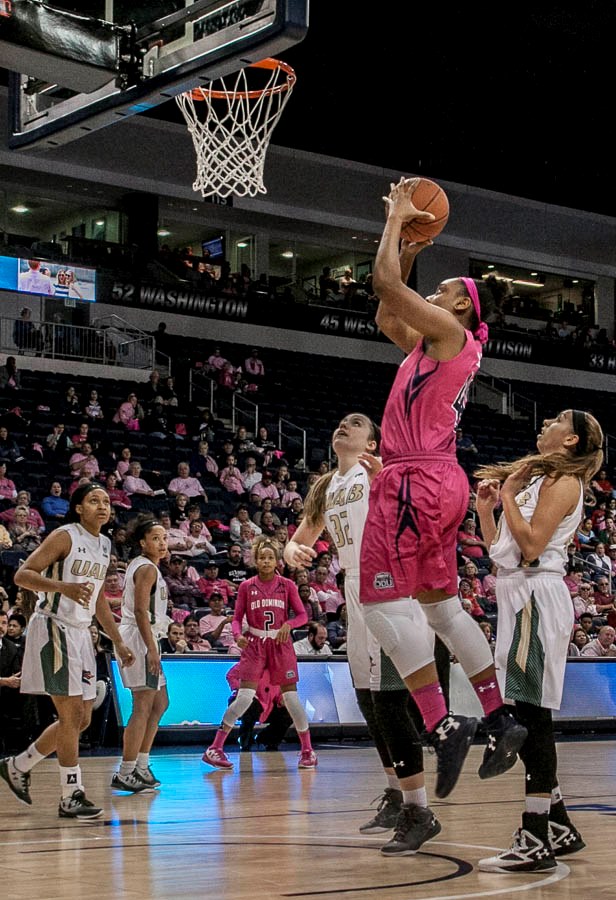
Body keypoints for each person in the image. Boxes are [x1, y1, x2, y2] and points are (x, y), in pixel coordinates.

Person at [358, 176, 524, 805]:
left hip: (415, 479)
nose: (434, 291)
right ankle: (497, 713)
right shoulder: (435, 343)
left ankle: (441, 721)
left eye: (445, 290)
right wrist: (412, 242)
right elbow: (385, 308)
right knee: (441, 608)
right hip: (438, 479)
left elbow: (385, 288)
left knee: (378, 602)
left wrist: (398, 222)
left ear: (461, 309)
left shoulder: (452, 336)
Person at [285, 412, 445, 854]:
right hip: (353, 585)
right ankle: (397, 793)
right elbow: (303, 534)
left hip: (389, 581)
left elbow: (415, 518)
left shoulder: (380, 471)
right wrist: (292, 547)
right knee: (368, 699)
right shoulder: (326, 485)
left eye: (355, 423)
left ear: (372, 443)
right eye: (339, 422)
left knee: (388, 698)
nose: (343, 426)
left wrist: (387, 482)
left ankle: (420, 807)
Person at [475, 407, 603, 872]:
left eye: (557, 420)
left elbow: (532, 547)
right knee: (525, 711)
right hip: (515, 592)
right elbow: (500, 553)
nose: (547, 423)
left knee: (530, 715)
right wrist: (486, 511)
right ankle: (561, 826)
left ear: (571, 440)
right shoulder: (536, 480)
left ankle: (535, 836)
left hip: (535, 596)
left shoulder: (564, 483)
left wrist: (507, 493)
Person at [0, 484, 134, 819]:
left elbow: (98, 598)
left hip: (80, 633)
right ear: (78, 508)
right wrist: (63, 588)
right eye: (93, 501)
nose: (102, 506)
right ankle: (71, 793)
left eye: (105, 501)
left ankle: (19, 765)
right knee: (71, 716)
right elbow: (22, 575)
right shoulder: (64, 536)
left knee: (83, 718)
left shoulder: (104, 544)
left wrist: (117, 639)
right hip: (53, 627)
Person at [202, 536, 317, 770]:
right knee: (244, 697)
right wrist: (238, 636)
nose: (266, 561)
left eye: (270, 558)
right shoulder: (246, 586)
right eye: (262, 558)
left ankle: (307, 751)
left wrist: (289, 625)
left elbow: (303, 616)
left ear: (277, 561)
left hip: (280, 643)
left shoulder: (287, 585)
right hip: (254, 644)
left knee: (290, 698)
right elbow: (235, 619)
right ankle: (215, 747)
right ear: (255, 560)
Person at [111, 516, 170, 793]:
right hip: (139, 638)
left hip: (143, 636)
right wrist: (150, 649)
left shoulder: (144, 566)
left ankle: (142, 765)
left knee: (160, 703)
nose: (161, 543)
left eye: (164, 538)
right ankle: (126, 770)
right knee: (143, 706)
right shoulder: (146, 568)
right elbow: (139, 611)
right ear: (143, 542)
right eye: (155, 538)